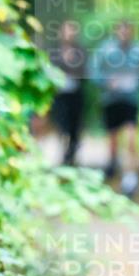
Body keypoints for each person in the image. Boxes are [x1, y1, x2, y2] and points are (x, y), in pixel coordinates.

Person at [91, 20, 139, 197]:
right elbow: (94, 72)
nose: (124, 33)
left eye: (128, 30)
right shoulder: (105, 50)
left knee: (132, 137)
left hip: (132, 100)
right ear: (116, 31)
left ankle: (130, 177)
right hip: (111, 100)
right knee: (113, 140)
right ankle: (113, 167)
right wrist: (107, 82)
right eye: (121, 30)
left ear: (132, 32)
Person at [49, 20, 87, 166]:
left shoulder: (80, 51)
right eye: (67, 30)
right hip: (59, 95)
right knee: (61, 124)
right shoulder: (54, 51)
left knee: (75, 126)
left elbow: (85, 72)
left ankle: (72, 153)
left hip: (76, 95)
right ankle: (65, 154)